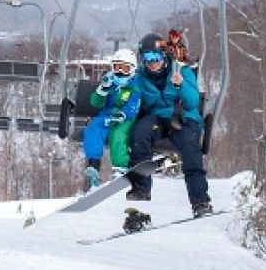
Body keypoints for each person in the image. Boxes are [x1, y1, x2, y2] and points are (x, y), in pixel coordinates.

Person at [126, 33, 212, 219]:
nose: (152, 62)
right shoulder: (140, 77)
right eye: (147, 58)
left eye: (155, 57)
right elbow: (130, 99)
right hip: (158, 120)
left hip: (183, 119)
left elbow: (192, 102)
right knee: (140, 131)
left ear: (164, 55)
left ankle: (200, 201)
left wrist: (180, 86)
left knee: (190, 145)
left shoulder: (181, 71)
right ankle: (141, 189)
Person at [82, 48, 141, 189]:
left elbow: (135, 104)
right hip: (107, 115)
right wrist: (102, 89)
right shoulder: (110, 82)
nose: (120, 72)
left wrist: (123, 114)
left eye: (125, 68)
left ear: (132, 70)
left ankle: (121, 167)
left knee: (118, 134)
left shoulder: (136, 86)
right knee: (93, 129)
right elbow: (96, 103)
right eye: (117, 67)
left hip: (127, 119)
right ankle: (94, 164)